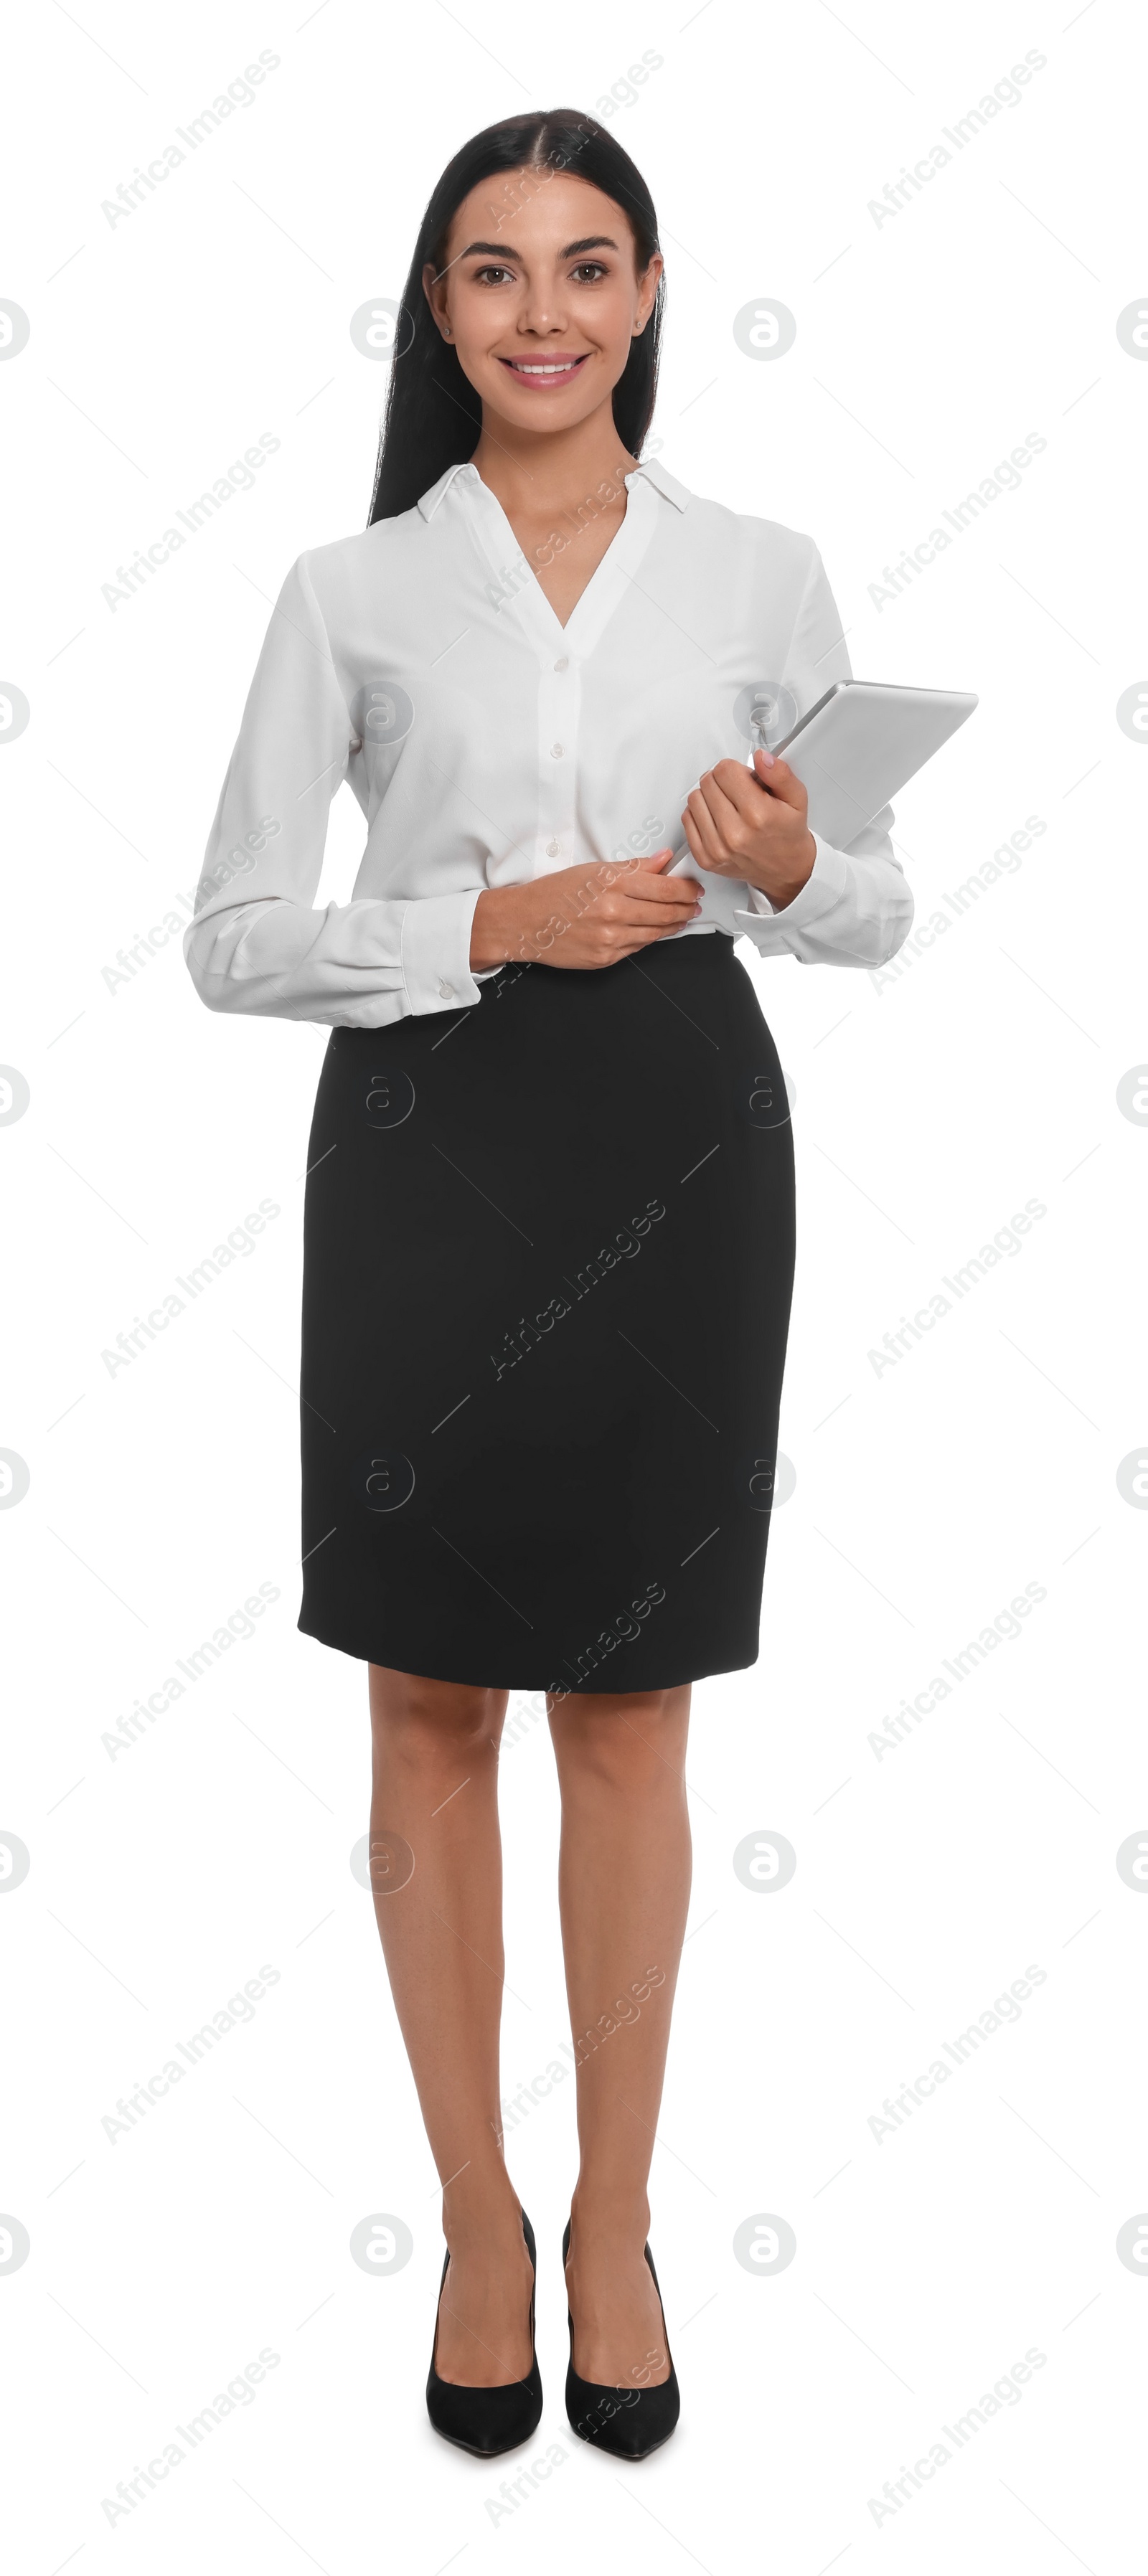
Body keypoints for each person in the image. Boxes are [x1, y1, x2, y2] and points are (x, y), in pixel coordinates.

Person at [185, 107, 912, 2462]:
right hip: (431, 1140)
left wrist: (794, 862)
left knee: (634, 1710)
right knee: (423, 1706)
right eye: (494, 273)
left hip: (686, 1138)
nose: (544, 313)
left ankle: (617, 2222)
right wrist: (471, 923)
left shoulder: (763, 569)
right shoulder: (351, 592)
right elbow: (221, 937)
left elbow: (872, 912)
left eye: (590, 267)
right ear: (439, 308)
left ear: (654, 291)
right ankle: (474, 2222)